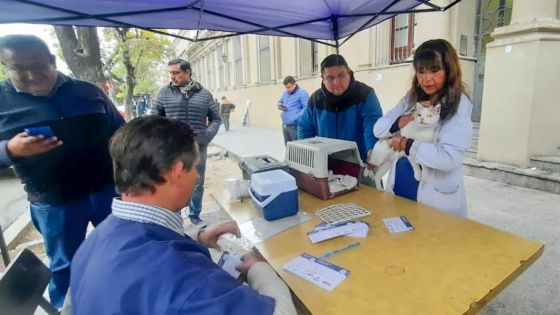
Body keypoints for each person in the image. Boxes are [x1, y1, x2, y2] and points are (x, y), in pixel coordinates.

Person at [70, 116, 297, 315]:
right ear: (177, 172)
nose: (197, 176)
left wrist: (196, 237)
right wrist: (259, 269)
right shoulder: (187, 279)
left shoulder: (93, 241)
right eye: (195, 167)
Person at [0, 34, 124, 308]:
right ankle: (66, 309)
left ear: (53, 61)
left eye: (39, 65)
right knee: (66, 266)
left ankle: (119, 302)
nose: (32, 75)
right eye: (20, 69)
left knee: (120, 251)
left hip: (108, 192)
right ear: (6, 67)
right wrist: (10, 149)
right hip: (55, 204)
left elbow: (121, 131)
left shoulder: (88, 91)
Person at [373, 39, 473, 217]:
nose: (427, 79)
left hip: (435, 198)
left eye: (435, 71)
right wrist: (408, 117)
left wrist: (405, 143)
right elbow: (379, 129)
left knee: (430, 241)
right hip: (401, 187)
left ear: (449, 70)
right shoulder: (410, 99)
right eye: (421, 71)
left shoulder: (459, 104)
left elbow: (449, 158)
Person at [151, 58, 221, 227]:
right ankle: (174, 217)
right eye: (170, 73)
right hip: (173, 149)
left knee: (197, 183)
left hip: (198, 148)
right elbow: (154, 120)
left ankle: (195, 215)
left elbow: (216, 119)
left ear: (188, 72)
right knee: (172, 182)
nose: (172, 76)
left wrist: (206, 136)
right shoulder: (164, 93)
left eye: (176, 73)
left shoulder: (204, 94)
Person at [298, 54, 383, 186]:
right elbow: (305, 128)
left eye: (341, 75)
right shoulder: (315, 100)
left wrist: (372, 151)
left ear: (348, 71)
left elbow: (372, 125)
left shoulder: (365, 94)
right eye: (330, 78)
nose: (336, 82)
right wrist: (308, 157)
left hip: (363, 166)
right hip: (328, 169)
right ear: (322, 78)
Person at [277, 76, 308, 145]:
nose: (288, 89)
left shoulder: (302, 93)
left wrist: (295, 119)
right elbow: (280, 102)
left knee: (296, 148)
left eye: (289, 87)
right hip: (285, 125)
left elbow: (306, 108)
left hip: (295, 126)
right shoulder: (285, 93)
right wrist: (279, 106)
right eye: (286, 87)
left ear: (294, 84)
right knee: (288, 147)